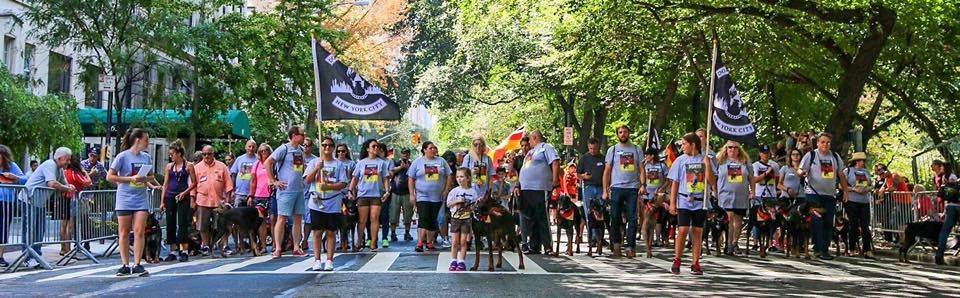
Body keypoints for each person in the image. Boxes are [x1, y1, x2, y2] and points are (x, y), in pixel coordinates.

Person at [107, 129, 160, 276]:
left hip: (140, 199)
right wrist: (130, 179)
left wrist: (147, 180)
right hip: (125, 198)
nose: (147, 143)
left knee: (139, 231)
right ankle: (125, 264)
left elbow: (151, 176)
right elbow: (110, 176)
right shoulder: (122, 157)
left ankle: (137, 263)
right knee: (124, 232)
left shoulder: (146, 158)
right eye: (146, 140)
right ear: (138, 140)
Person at [667, 132, 714, 275]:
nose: (682, 147)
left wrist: (707, 167)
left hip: (700, 201)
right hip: (684, 200)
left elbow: (712, 181)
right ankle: (677, 259)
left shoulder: (705, 159)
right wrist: (672, 203)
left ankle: (695, 262)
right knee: (682, 230)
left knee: (697, 231)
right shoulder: (680, 161)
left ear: (693, 145)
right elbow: (675, 182)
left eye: (684, 144)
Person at [798, 132, 848, 260]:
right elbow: (800, 169)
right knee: (817, 221)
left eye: (828, 142)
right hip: (813, 194)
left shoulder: (835, 157)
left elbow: (841, 175)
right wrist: (802, 173)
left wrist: (846, 191)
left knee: (827, 222)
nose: (825, 144)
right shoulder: (811, 155)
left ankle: (824, 249)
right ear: (818, 143)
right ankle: (818, 248)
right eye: (823, 142)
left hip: (830, 195)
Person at [304, 137, 349, 271]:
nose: (327, 148)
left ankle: (329, 260)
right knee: (317, 232)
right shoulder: (314, 162)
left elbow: (343, 183)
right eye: (324, 145)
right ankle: (317, 260)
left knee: (331, 232)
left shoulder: (338, 165)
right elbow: (308, 180)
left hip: (333, 202)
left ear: (333, 147)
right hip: (316, 202)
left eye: (329, 145)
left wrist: (329, 187)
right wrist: (317, 168)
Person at [514, 130, 559, 256]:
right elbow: (523, 170)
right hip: (526, 188)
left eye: (530, 139)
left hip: (540, 187)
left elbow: (555, 162)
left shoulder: (546, 147)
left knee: (542, 216)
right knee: (531, 217)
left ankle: (548, 246)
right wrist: (518, 185)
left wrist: (555, 180)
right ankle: (535, 245)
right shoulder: (530, 152)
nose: (529, 141)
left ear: (535, 137)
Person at [602, 125, 644, 258]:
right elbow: (607, 171)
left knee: (632, 218)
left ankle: (631, 246)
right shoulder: (612, 150)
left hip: (633, 188)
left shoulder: (637, 149)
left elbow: (642, 169)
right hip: (617, 187)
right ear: (617, 135)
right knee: (614, 217)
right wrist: (605, 189)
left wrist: (643, 185)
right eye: (620, 132)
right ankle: (616, 244)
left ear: (629, 133)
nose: (623, 134)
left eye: (625, 131)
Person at [266, 126, 308, 258]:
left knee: (298, 218)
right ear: (294, 135)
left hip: (299, 189)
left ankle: (297, 247)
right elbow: (268, 162)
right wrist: (273, 180)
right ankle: (278, 248)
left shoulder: (301, 150)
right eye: (302, 134)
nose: (304, 137)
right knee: (282, 218)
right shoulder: (284, 148)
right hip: (286, 190)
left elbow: (302, 167)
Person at [348, 139, 390, 252]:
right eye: (373, 146)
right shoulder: (361, 163)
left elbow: (386, 178)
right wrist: (350, 190)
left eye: (377, 146)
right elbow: (355, 178)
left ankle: (374, 241)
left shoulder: (382, 163)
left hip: (376, 194)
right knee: (362, 220)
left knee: (374, 218)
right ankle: (359, 241)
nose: (376, 148)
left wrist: (387, 191)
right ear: (368, 149)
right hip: (363, 194)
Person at [410, 142, 453, 252]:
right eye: (430, 148)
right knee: (424, 218)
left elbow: (449, 175)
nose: (433, 150)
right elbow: (411, 178)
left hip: (437, 196)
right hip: (422, 196)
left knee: (433, 220)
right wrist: (412, 194)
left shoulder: (441, 161)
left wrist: (446, 190)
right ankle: (420, 242)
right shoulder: (417, 162)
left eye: (434, 148)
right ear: (424, 150)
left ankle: (430, 242)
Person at [160, 140, 197, 262]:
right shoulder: (169, 167)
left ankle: (184, 249)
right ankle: (173, 250)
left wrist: (185, 193)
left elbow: (194, 182)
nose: (171, 157)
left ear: (179, 153)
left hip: (182, 195)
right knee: (170, 223)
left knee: (182, 223)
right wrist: (162, 200)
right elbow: (165, 184)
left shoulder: (188, 165)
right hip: (170, 196)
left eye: (172, 154)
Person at [193, 145, 234, 256]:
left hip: (219, 201)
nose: (207, 156)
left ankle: (224, 245)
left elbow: (228, 184)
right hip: (202, 200)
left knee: (222, 225)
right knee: (202, 225)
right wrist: (192, 199)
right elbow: (192, 185)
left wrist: (228, 200)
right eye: (204, 154)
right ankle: (206, 246)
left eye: (209, 154)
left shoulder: (222, 166)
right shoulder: (197, 168)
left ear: (213, 154)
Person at [714, 140, 752, 256]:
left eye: (735, 148)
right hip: (725, 194)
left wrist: (753, 192)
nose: (732, 150)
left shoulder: (745, 162)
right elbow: (713, 177)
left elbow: (752, 177)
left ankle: (735, 242)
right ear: (726, 149)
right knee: (728, 218)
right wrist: (714, 191)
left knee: (738, 221)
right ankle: (728, 243)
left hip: (741, 195)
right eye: (730, 147)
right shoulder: (719, 162)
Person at [842, 152, 875, 259]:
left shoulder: (866, 172)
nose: (863, 163)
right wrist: (854, 189)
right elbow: (841, 185)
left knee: (865, 226)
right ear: (856, 161)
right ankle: (851, 248)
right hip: (852, 201)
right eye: (862, 160)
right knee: (853, 225)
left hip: (864, 201)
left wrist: (867, 189)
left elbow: (871, 185)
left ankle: (867, 250)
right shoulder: (848, 171)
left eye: (864, 161)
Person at [0, 144, 27, 267]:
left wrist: (14, 177)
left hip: (6, 201)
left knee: (3, 228)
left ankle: (0, 255)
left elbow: (25, 179)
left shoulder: (12, 166)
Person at [446, 167, 477, 271]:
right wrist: (456, 201)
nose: (459, 179)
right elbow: (448, 204)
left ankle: (462, 261)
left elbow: (474, 206)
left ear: (468, 178)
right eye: (457, 177)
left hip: (466, 219)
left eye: (462, 177)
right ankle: (453, 260)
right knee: (455, 241)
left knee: (463, 241)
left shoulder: (472, 192)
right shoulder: (454, 191)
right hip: (455, 218)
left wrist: (471, 207)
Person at [751, 144, 779, 254]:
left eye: (767, 153)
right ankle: (755, 242)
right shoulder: (756, 165)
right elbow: (754, 179)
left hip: (771, 194)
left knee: (772, 219)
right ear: (760, 154)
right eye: (763, 153)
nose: (765, 155)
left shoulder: (775, 165)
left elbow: (776, 179)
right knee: (757, 219)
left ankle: (771, 242)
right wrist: (766, 173)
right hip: (759, 194)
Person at [62, 156, 92, 256]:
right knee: (70, 225)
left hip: (65, 197)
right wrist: (86, 172)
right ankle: (68, 248)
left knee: (64, 224)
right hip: (73, 198)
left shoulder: (65, 172)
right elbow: (88, 182)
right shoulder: (75, 173)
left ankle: (64, 248)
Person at [577, 138, 605, 246]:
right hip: (588, 186)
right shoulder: (584, 158)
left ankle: (600, 236)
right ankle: (592, 236)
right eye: (591, 148)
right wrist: (583, 176)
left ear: (598, 147)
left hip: (600, 187)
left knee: (600, 212)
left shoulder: (602, 158)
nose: (593, 150)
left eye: (595, 149)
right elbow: (578, 173)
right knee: (589, 211)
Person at [247, 143, 274, 255]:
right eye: (262, 151)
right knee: (261, 221)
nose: (264, 152)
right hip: (259, 195)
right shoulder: (256, 165)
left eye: (266, 150)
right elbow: (253, 181)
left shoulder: (273, 164)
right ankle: (263, 245)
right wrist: (250, 195)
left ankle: (275, 245)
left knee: (273, 219)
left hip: (272, 194)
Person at [641, 147, 667, 257]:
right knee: (646, 221)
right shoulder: (644, 166)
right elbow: (639, 178)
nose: (646, 156)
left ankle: (654, 241)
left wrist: (662, 188)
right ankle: (647, 247)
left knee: (656, 221)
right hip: (647, 197)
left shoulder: (662, 166)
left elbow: (668, 180)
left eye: (647, 154)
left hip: (657, 198)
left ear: (652, 155)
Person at [389, 149, 414, 242]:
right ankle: (393, 233)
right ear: (401, 154)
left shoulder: (412, 164)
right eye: (403, 153)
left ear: (409, 155)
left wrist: (408, 168)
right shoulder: (395, 163)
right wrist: (400, 167)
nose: (405, 155)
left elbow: (414, 174)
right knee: (393, 214)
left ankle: (407, 233)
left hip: (407, 192)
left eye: (407, 153)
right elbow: (391, 172)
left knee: (408, 214)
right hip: (396, 192)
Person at [231, 140, 258, 207]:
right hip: (239, 193)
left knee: (250, 216)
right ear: (245, 147)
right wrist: (232, 190)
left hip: (253, 194)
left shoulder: (258, 159)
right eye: (249, 146)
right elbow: (234, 174)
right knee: (237, 215)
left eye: (253, 147)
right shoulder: (239, 159)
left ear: (256, 148)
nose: (251, 148)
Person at [376, 143, 393, 249]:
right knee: (372, 217)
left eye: (382, 150)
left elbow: (389, 176)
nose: (380, 151)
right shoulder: (367, 161)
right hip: (371, 192)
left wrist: (387, 191)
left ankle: (385, 237)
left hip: (383, 191)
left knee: (384, 215)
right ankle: (370, 238)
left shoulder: (387, 162)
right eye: (378, 149)